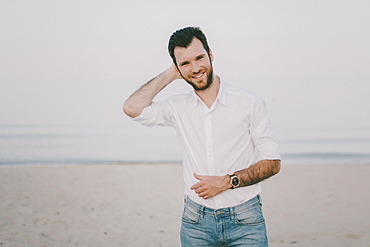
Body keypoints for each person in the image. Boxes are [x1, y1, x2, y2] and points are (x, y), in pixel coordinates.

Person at [123, 26, 281, 247]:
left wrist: (227, 182)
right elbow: (132, 108)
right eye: (185, 63)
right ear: (177, 67)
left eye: (199, 58)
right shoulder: (177, 107)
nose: (195, 68)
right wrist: (170, 73)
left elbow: (272, 163)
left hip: (246, 219)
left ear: (211, 55)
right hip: (196, 221)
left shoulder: (249, 103)